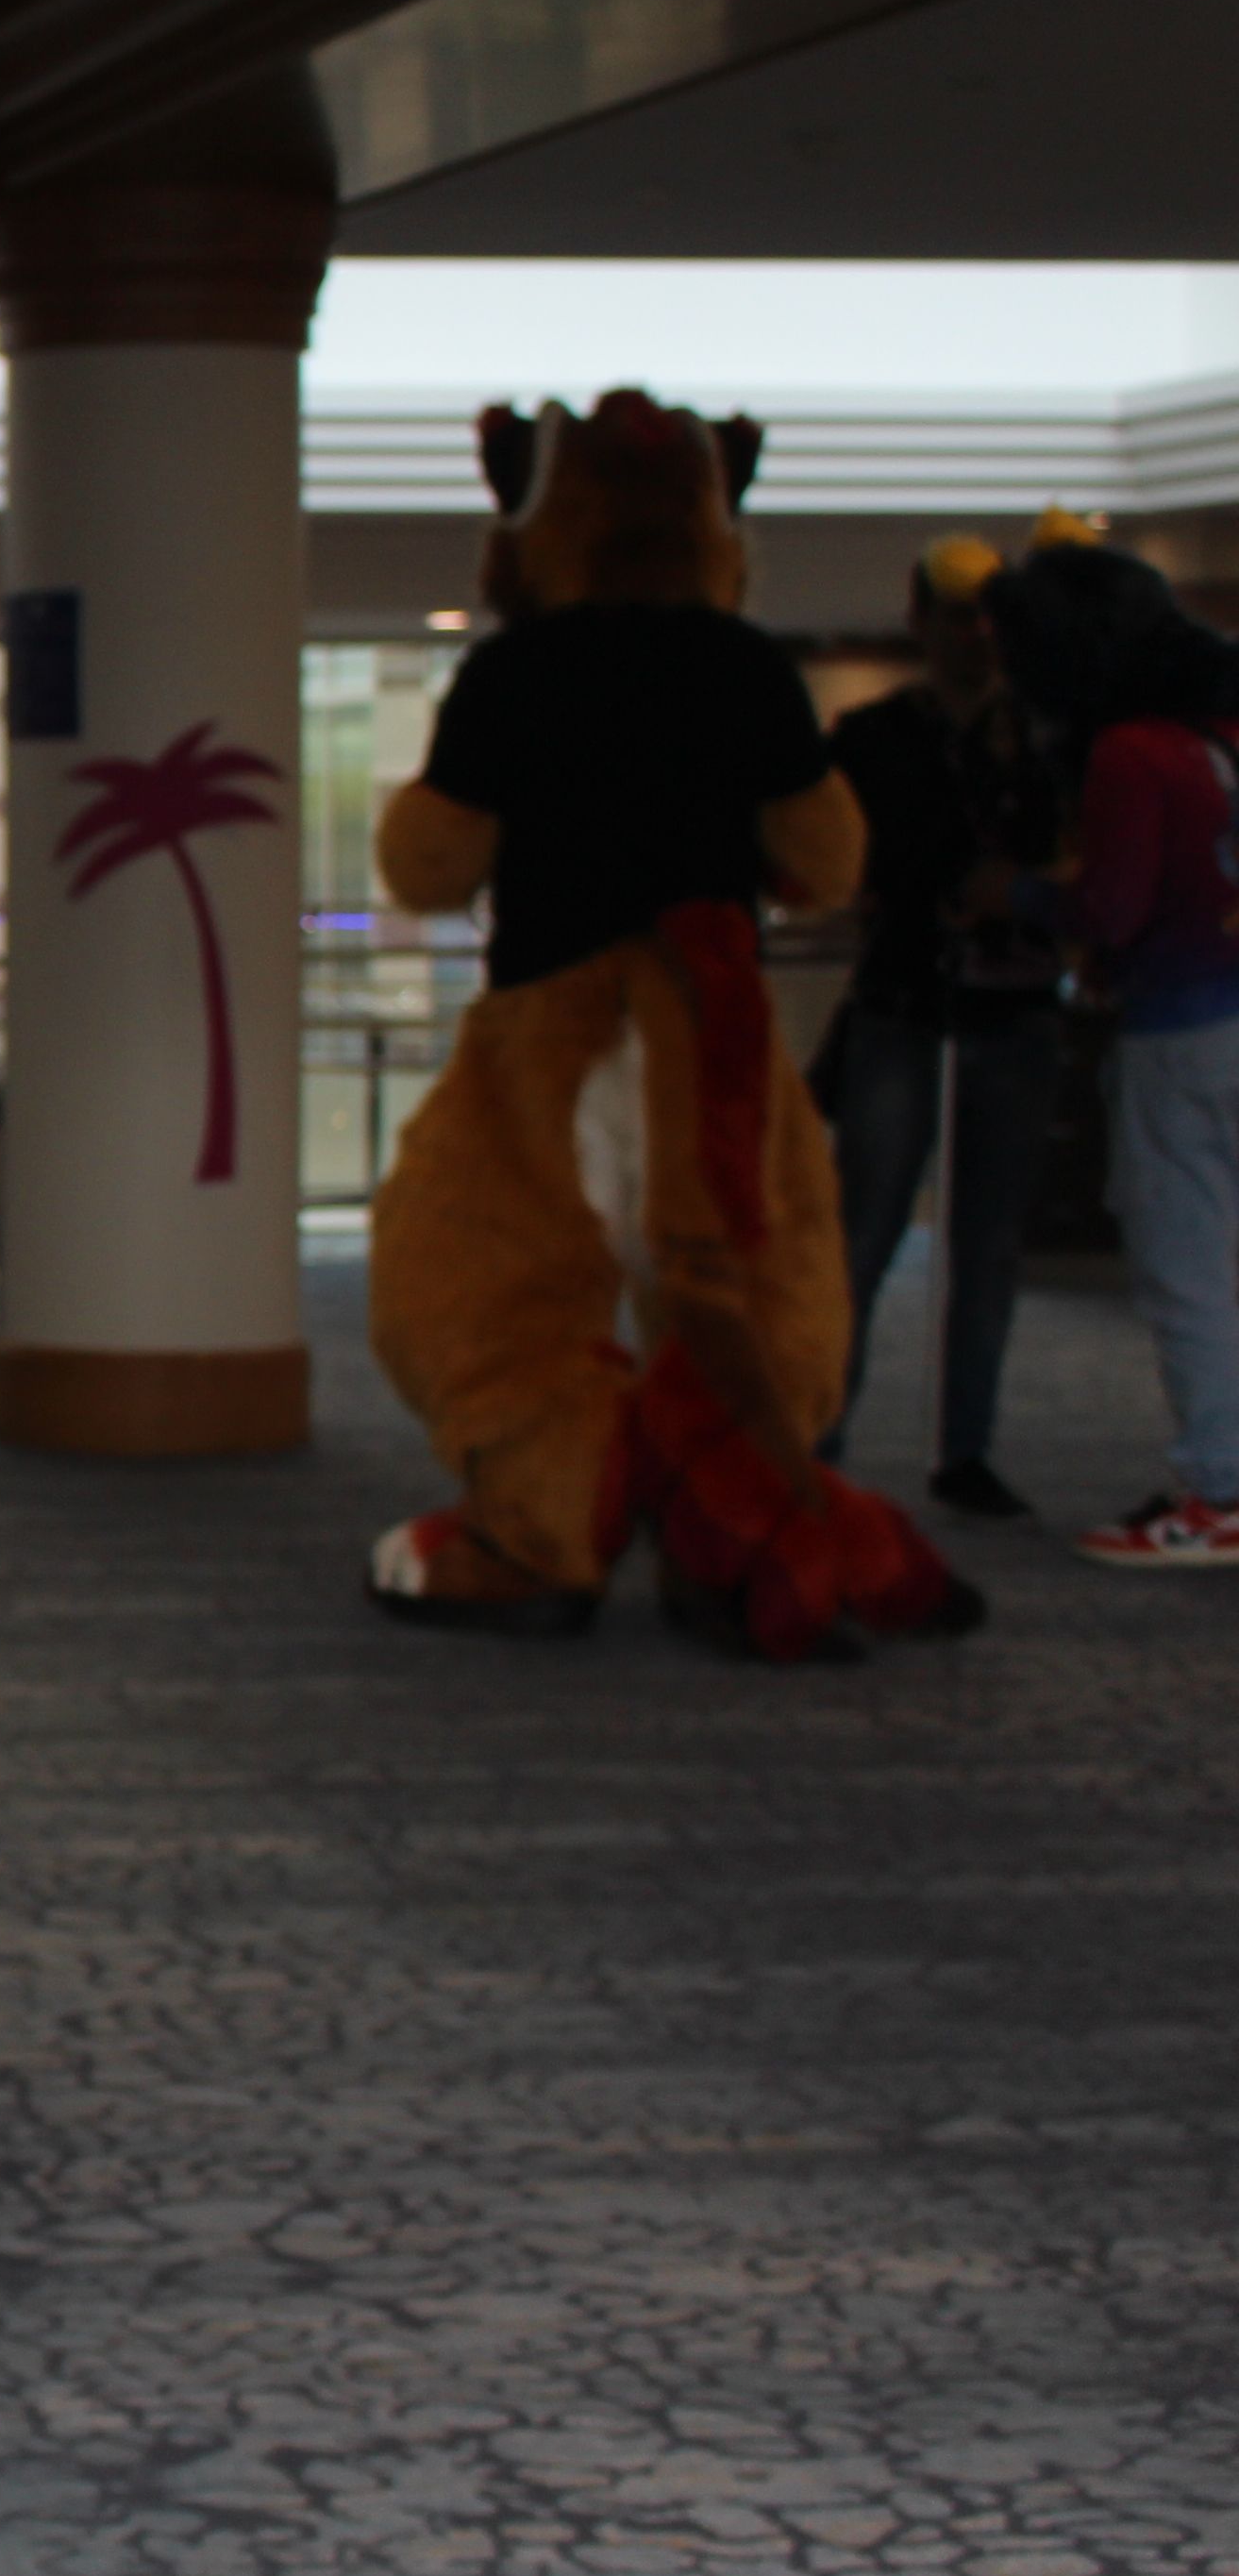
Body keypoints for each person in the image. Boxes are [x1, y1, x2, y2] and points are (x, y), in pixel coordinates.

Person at [366, 389, 971, 1658]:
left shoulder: (513, 671)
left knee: (492, 1276)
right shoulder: (747, 667)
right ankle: (741, 1536)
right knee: (753, 1282)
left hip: (552, 1030)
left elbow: (429, 862)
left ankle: (544, 1526)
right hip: (715, 1029)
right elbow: (824, 856)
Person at [982, 530, 1239, 1562]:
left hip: (1183, 1032)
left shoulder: (1130, 752)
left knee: (1188, 1267)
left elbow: (1115, 908)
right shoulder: (1225, 733)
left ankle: (1221, 1490)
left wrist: (1021, 894)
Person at [815, 535, 1064, 1516]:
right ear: (920, 620)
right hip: (905, 1005)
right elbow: (843, 865)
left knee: (989, 1244)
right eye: (957, 616)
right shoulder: (873, 739)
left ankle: (965, 1449)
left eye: (988, 618)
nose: (975, 636)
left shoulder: (1043, 741)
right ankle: (819, 1434)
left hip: (1012, 1013)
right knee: (862, 1234)